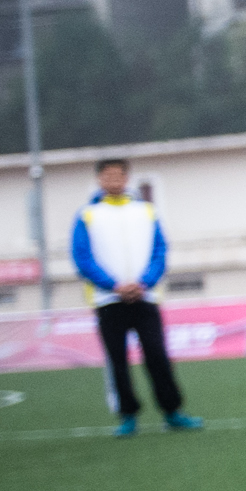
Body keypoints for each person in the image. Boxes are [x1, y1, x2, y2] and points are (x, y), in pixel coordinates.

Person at [73, 158, 202, 437]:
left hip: (146, 297)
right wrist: (113, 285)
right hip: (108, 300)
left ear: (127, 178)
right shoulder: (88, 215)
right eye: (108, 176)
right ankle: (127, 415)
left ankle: (172, 411)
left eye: (119, 175)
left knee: (157, 355)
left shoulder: (146, 211)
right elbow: (82, 258)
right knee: (117, 360)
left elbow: (160, 250)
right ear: (99, 179)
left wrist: (145, 282)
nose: (114, 180)